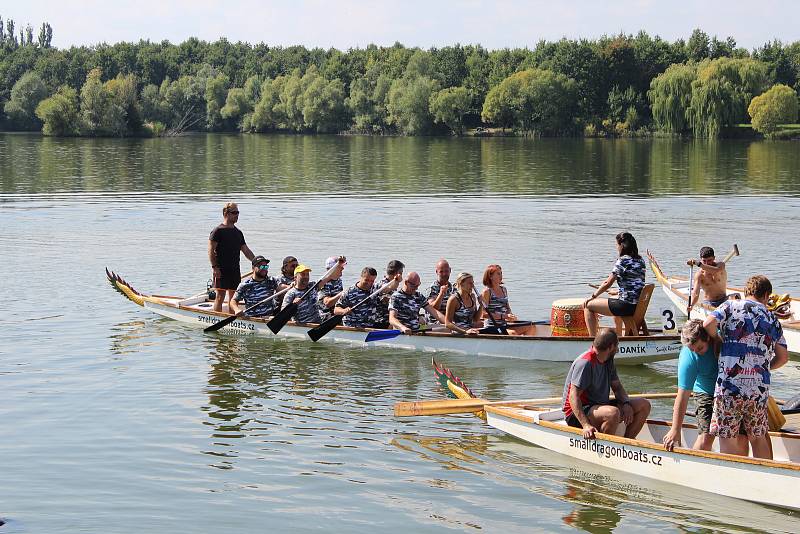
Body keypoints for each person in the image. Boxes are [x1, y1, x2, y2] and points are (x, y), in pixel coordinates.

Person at [703, 274, 789, 459]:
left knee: (728, 436)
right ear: (766, 295)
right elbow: (783, 357)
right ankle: (764, 476)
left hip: (729, 387)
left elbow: (708, 323)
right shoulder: (772, 318)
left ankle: (732, 478)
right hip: (758, 390)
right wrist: (764, 367)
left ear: (746, 291)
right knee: (758, 437)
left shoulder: (730, 305)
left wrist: (718, 339)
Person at [662, 320, 748, 453]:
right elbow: (683, 396)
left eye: (700, 348)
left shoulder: (722, 338)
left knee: (741, 437)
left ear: (707, 338)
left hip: (732, 390)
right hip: (705, 390)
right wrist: (675, 429)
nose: (696, 352)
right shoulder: (689, 357)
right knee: (706, 436)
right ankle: (695, 467)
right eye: (692, 349)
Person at [562, 329, 651, 439]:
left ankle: (627, 443)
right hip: (576, 413)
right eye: (616, 346)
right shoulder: (585, 363)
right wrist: (585, 425)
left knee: (644, 405)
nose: (617, 349)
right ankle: (606, 447)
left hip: (599, 405)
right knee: (613, 413)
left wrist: (626, 403)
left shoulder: (608, 360)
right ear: (610, 347)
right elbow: (573, 397)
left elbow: (617, 388)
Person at [583, 232, 646, 336]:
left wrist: (592, 296)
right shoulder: (640, 260)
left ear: (621, 245)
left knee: (588, 306)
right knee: (614, 297)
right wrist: (617, 291)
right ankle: (618, 334)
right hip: (636, 304)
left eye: (617, 245)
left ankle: (594, 341)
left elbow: (608, 282)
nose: (616, 247)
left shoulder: (623, 261)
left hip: (626, 306)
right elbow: (636, 283)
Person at [209, 202, 255, 312]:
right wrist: (215, 267)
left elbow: (246, 250)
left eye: (238, 212)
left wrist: (256, 262)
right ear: (226, 213)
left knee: (234, 298)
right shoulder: (217, 231)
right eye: (234, 212)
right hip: (221, 269)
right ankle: (216, 318)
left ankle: (232, 320)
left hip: (234, 269)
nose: (237, 215)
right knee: (220, 297)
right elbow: (210, 250)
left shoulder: (238, 232)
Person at [281, 259, 345, 324]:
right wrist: (293, 305)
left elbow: (330, 276)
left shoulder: (312, 286)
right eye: (303, 274)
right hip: (302, 326)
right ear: (295, 277)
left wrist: (339, 264)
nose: (306, 277)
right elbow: (282, 317)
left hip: (317, 324)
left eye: (307, 274)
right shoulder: (291, 294)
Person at [480, 264, 536, 335]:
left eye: (501, 273)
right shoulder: (487, 291)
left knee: (531, 326)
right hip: (492, 327)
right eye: (498, 274)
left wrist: (511, 316)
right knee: (513, 333)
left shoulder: (504, 289)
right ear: (490, 276)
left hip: (504, 325)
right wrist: (504, 316)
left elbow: (507, 308)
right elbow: (483, 315)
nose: (501, 276)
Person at [687, 246, 729, 314]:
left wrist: (698, 264)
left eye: (709, 260)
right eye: (704, 261)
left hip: (724, 299)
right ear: (701, 259)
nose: (706, 263)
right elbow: (696, 293)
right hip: (709, 303)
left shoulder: (721, 265)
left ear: (714, 258)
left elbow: (716, 271)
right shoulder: (699, 275)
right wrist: (691, 305)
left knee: (736, 296)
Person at [373, 260, 405, 328]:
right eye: (401, 272)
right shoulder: (381, 284)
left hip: (391, 320)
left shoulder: (393, 284)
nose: (402, 275)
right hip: (381, 321)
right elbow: (389, 288)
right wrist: (397, 281)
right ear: (397, 273)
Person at [317, 256, 346, 322]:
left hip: (337, 314)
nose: (343, 268)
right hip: (326, 317)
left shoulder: (338, 280)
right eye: (340, 267)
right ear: (332, 269)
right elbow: (327, 303)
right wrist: (342, 294)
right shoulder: (323, 282)